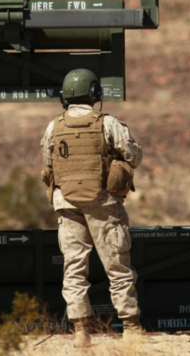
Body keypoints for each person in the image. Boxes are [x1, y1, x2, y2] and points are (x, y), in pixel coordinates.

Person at [40, 68, 143, 347]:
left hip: (67, 203)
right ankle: (131, 327)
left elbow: (48, 164)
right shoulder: (108, 124)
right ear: (95, 92)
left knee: (74, 267)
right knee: (117, 265)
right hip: (103, 203)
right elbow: (134, 155)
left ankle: (80, 332)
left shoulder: (53, 126)